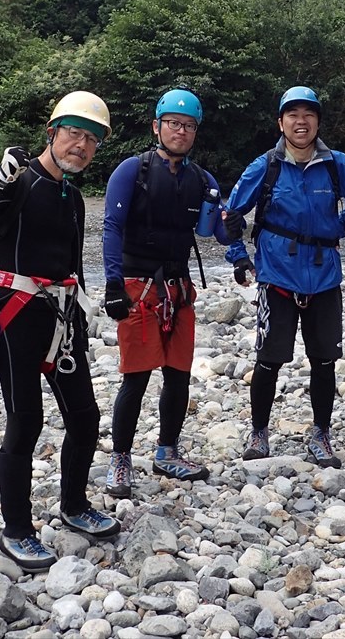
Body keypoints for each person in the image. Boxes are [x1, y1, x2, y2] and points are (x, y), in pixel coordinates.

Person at [0, 90, 121, 572]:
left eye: (91, 139)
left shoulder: (71, 194)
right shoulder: (19, 182)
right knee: (26, 423)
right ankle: (17, 530)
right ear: (52, 132)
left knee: (85, 417)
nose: (81, 145)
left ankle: (73, 506)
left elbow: (70, 260)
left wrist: (82, 313)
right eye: (74, 133)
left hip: (62, 319)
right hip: (14, 319)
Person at [222, 86, 345, 469]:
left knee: (324, 361)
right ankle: (259, 432)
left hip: (325, 277)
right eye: (293, 114)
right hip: (277, 278)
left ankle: (321, 433)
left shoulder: (336, 163)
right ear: (281, 122)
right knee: (269, 361)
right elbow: (229, 216)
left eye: (308, 114)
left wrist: (341, 225)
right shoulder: (265, 166)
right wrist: (240, 258)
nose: (300, 121)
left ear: (318, 122)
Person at [99, 88, 235, 498]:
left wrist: (236, 228)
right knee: (136, 378)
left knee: (178, 376)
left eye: (188, 125)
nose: (180, 131)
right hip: (138, 287)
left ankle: (167, 451)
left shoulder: (201, 180)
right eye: (173, 123)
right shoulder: (131, 171)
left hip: (178, 290)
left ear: (196, 132)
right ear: (157, 126)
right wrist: (112, 283)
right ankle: (120, 458)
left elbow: (218, 232)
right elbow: (112, 228)